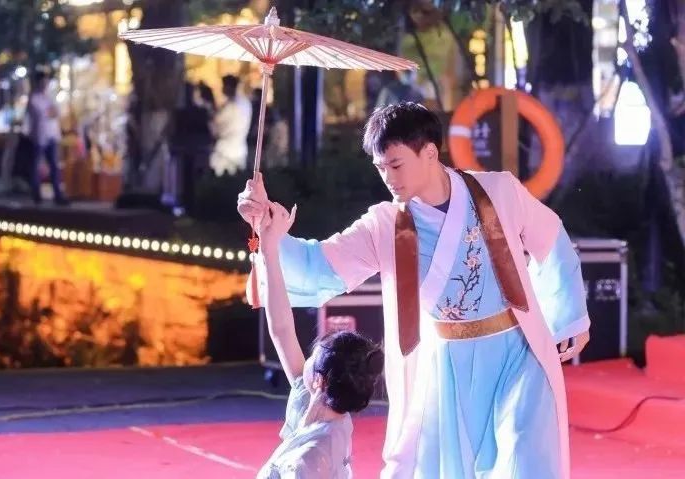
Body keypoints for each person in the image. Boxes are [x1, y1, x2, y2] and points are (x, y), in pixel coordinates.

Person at [238, 102, 591, 478]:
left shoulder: (499, 190)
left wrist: (569, 316)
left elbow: (550, 238)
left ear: (430, 153)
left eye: (396, 164)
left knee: (525, 455)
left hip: (516, 351)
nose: (388, 178)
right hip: (446, 365)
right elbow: (319, 265)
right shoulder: (384, 224)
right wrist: (268, 230)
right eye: (380, 167)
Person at [256, 200, 385, 478]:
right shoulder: (315, 400)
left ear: (319, 379)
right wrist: (268, 249)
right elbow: (281, 329)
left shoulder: (312, 457)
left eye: (313, 356)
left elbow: (282, 331)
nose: (307, 356)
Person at [25, 71, 68, 205]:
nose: (45, 84)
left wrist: (52, 112)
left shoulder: (49, 97)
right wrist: (51, 112)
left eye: (46, 82)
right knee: (36, 165)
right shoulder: (34, 98)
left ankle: (57, 194)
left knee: (54, 165)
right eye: (43, 82)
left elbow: (56, 112)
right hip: (40, 136)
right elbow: (44, 114)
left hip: (52, 135)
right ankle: (36, 194)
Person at [209, 75, 252, 176]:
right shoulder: (246, 103)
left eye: (223, 86)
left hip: (225, 152)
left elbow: (214, 126)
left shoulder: (230, 106)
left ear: (229, 87)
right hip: (240, 150)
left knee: (220, 182)